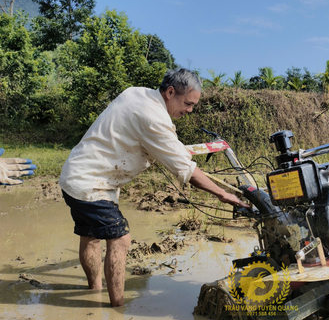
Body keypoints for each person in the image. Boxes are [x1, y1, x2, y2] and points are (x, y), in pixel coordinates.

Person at [59, 68, 248, 307]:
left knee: (90, 236)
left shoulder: (136, 93)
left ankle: (94, 292)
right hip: (91, 184)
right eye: (188, 103)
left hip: (76, 175)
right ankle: (117, 308)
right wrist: (223, 194)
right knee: (120, 239)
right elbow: (185, 170)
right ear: (170, 92)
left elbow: (154, 140)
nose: (190, 110)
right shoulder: (153, 117)